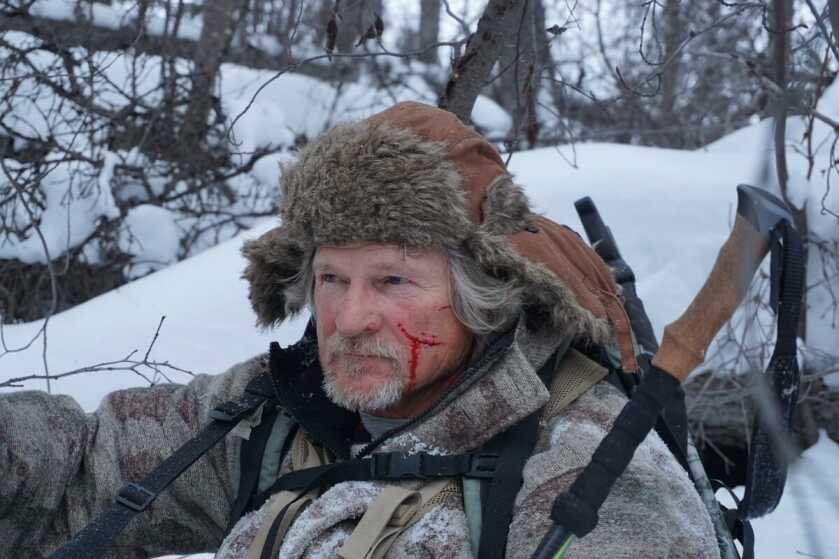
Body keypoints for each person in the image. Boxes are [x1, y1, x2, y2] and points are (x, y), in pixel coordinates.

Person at [0, 102, 720, 559]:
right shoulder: (280, 412)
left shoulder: (589, 481)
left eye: (392, 280)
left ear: (479, 293)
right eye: (331, 279)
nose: (347, 318)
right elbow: (82, 469)